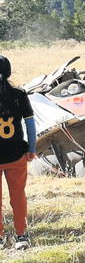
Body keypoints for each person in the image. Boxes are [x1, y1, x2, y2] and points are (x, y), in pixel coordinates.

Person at [0, 55, 36, 250]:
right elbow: (30, 123)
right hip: (16, 155)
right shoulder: (19, 93)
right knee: (18, 197)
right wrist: (31, 148)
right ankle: (21, 236)